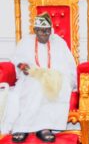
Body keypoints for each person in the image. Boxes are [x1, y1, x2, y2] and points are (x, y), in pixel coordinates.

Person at [0, 12, 77, 143]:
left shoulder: (59, 42)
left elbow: (69, 65)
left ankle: (45, 127)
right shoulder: (26, 41)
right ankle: (22, 127)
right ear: (35, 30)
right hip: (32, 77)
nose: (45, 34)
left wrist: (54, 76)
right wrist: (22, 66)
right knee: (35, 85)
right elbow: (16, 60)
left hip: (55, 79)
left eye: (47, 31)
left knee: (46, 85)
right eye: (41, 31)